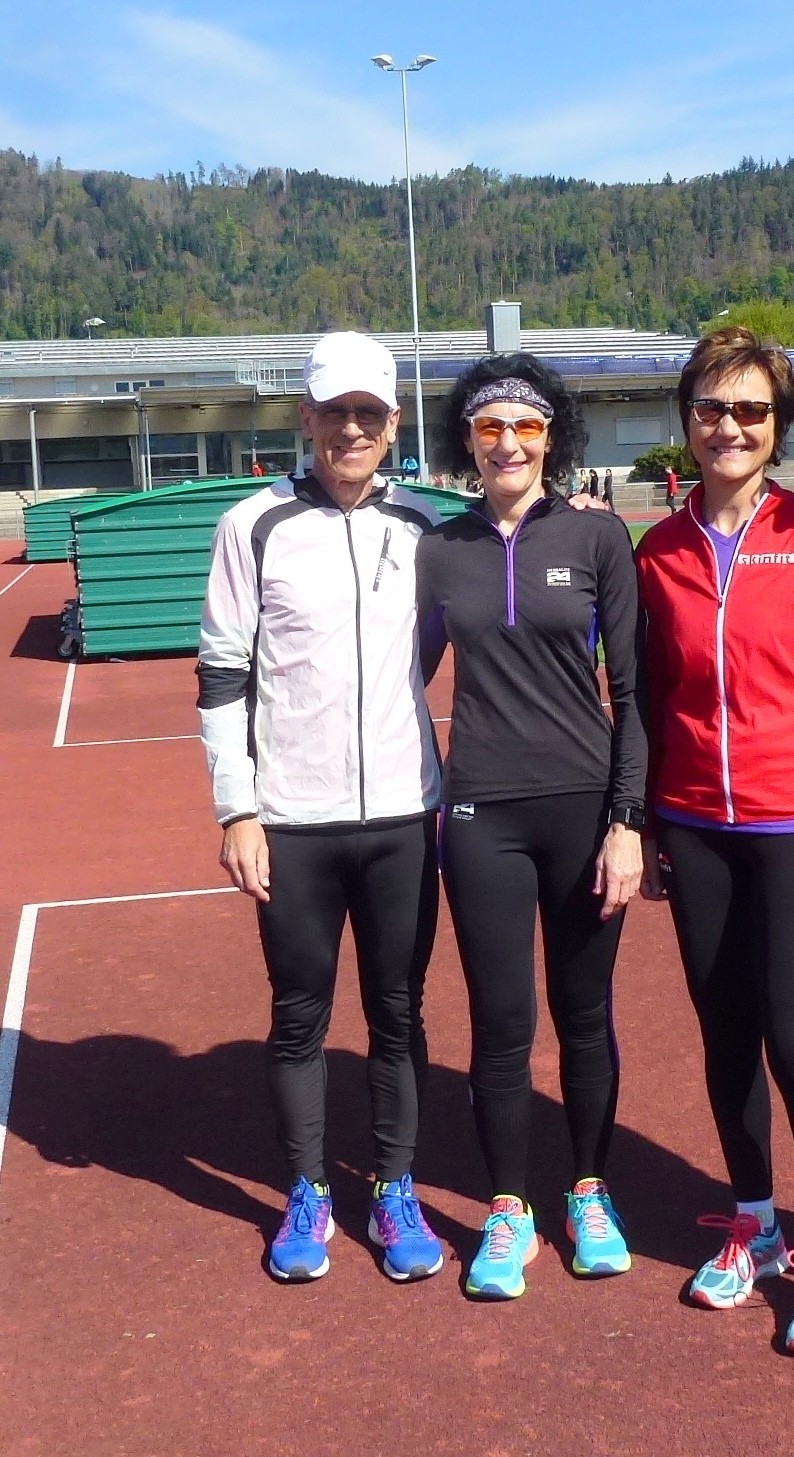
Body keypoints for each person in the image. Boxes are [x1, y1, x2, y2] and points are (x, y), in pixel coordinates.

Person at [635, 327, 794, 1357]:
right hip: (693, 824)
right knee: (726, 1036)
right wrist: (646, 820)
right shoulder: (657, 550)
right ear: (684, 421)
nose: (728, 427)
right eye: (709, 408)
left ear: (776, 426)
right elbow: (648, 693)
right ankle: (753, 1219)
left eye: (749, 411)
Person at [197, 332, 445, 1284]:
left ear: (390, 426)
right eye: (334, 411)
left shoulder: (420, 528)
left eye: (369, 414)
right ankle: (308, 1191)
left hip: (398, 819)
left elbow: (422, 656)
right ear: (304, 418)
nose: (351, 428)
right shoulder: (250, 525)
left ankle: (394, 1186)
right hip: (290, 820)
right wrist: (237, 808)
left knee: (399, 1012)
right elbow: (222, 675)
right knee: (300, 1012)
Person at [421, 352, 646, 1300]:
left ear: (552, 438)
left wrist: (628, 818)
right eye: (489, 427)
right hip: (481, 815)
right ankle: (507, 1208)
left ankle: (588, 1191)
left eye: (526, 426)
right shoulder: (440, 548)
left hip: (583, 811)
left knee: (585, 1015)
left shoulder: (599, 539)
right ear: (466, 442)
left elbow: (632, 689)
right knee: (501, 1021)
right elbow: (396, 676)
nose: (508, 443)